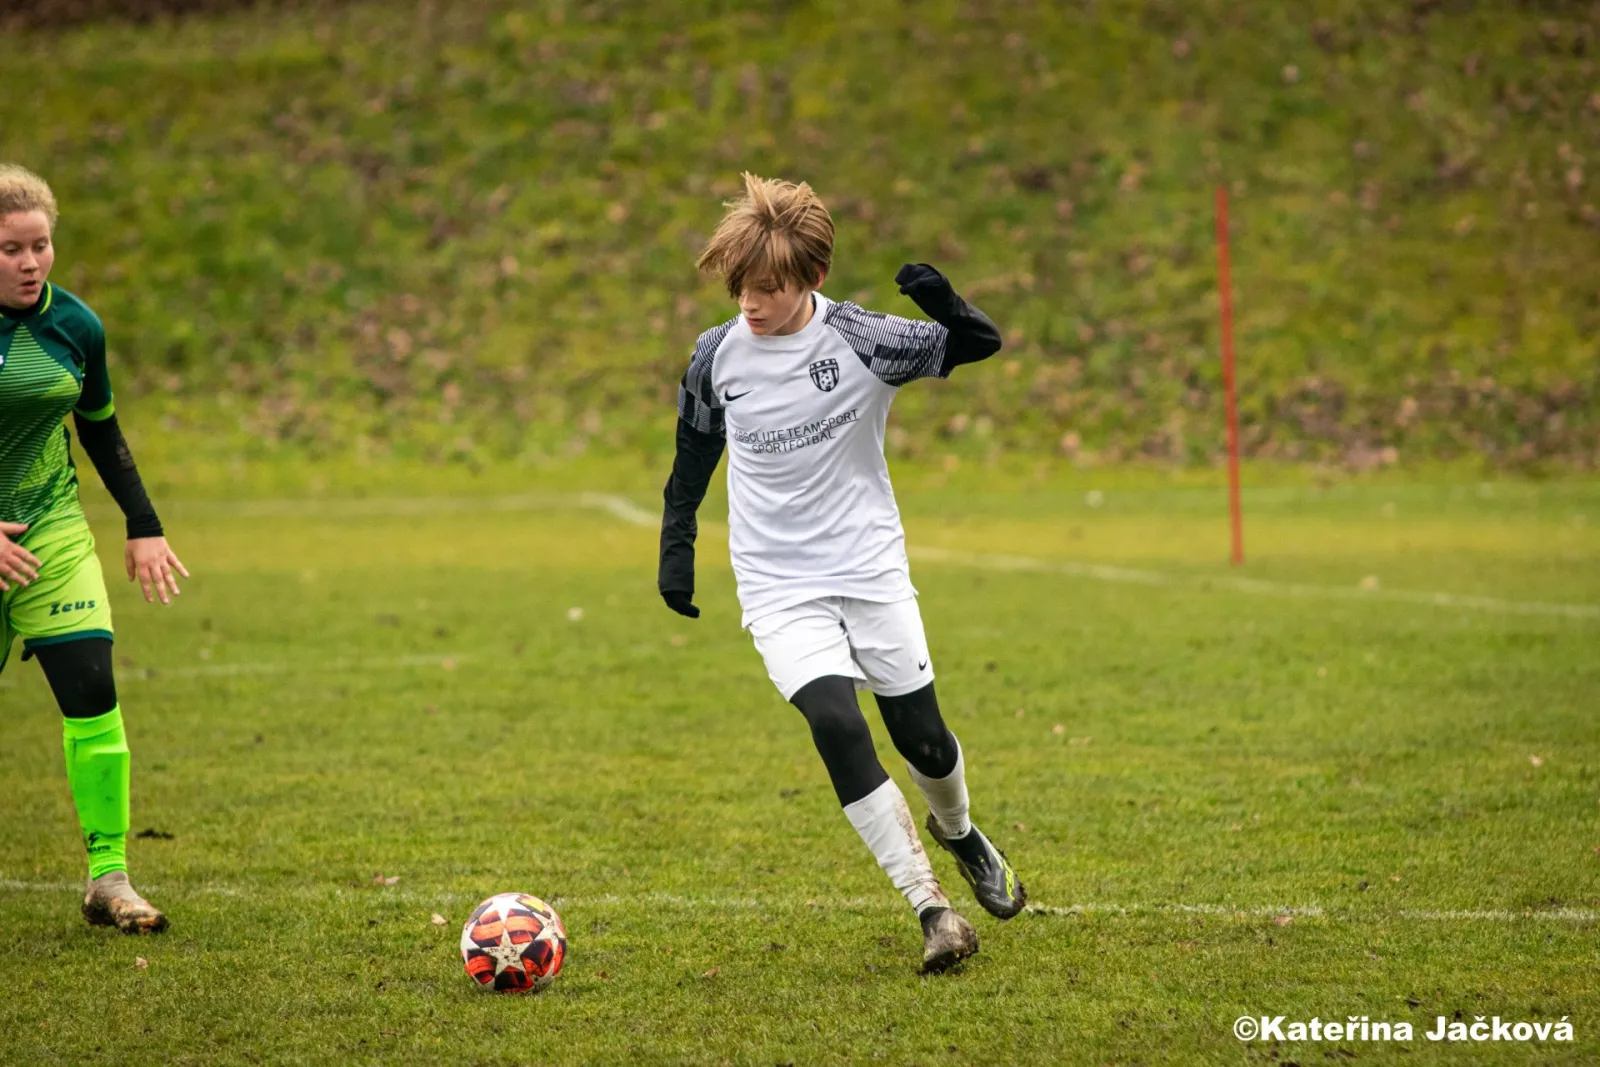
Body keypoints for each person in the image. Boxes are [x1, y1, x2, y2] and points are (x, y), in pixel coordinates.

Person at [657, 173, 1025, 973]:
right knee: (835, 722)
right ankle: (933, 909)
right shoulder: (716, 355)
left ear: (813, 277)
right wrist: (676, 541)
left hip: (869, 570)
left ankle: (961, 833)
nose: (750, 303)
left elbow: (981, 344)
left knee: (923, 740)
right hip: (778, 585)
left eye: (768, 287)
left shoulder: (862, 338)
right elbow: (694, 445)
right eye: (740, 286)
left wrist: (948, 306)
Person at [0, 164, 187, 934]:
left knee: (93, 692)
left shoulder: (77, 325)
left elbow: (101, 427)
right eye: (11, 249)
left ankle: (109, 877)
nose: (31, 263)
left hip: (51, 532)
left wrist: (143, 522)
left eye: (40, 245)